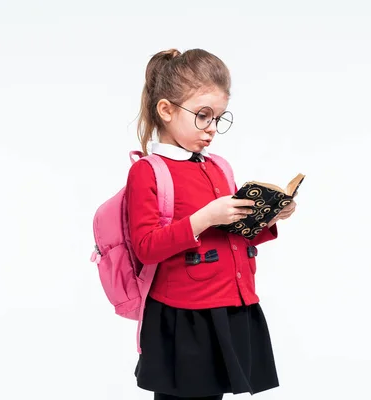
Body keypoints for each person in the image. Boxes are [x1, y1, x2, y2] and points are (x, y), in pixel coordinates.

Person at [126, 48, 297, 400]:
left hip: (229, 306)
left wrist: (269, 217)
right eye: (203, 116)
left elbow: (229, 235)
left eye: (219, 118)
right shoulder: (147, 171)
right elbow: (145, 248)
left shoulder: (218, 165)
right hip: (184, 316)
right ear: (166, 110)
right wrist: (203, 219)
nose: (212, 129)